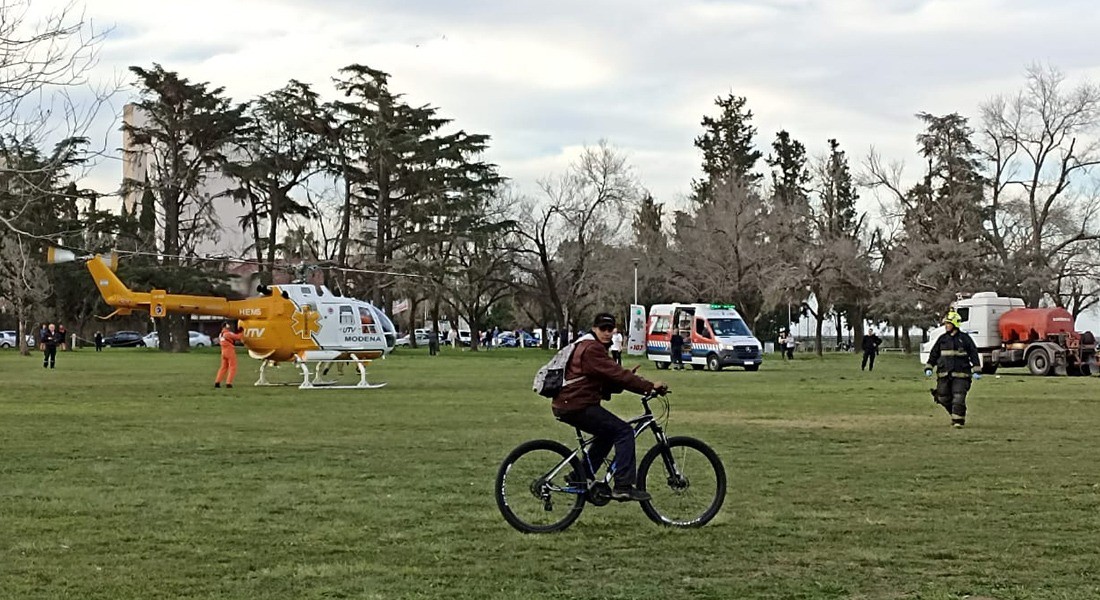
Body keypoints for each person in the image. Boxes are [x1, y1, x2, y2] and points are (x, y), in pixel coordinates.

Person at [552, 313, 668, 502]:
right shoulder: (591, 349)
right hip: (576, 404)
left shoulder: (589, 346)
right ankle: (623, 486)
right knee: (624, 432)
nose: (607, 333)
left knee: (607, 434)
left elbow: (609, 380)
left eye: (610, 329)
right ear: (594, 329)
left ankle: (579, 476)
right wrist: (648, 386)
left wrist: (627, 380)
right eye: (602, 329)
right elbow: (617, 374)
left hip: (572, 403)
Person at [924, 310, 981, 428]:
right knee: (942, 397)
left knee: (958, 397)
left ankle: (958, 422)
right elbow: (934, 354)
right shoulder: (942, 339)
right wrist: (929, 366)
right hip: (944, 375)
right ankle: (956, 413)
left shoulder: (965, 339)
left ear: (954, 324)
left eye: (948, 324)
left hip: (961, 375)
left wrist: (976, 369)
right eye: (945, 324)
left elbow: (973, 354)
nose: (946, 326)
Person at [214, 323, 244, 388]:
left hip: (223, 352)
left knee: (223, 368)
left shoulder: (221, 334)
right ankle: (228, 383)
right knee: (232, 367)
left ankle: (217, 382)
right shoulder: (228, 333)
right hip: (229, 351)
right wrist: (241, 332)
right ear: (226, 326)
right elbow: (237, 337)